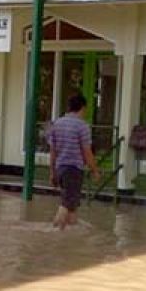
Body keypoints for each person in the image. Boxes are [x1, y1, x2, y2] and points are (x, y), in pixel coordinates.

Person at [48, 94, 102, 229]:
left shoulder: (57, 124)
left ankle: (71, 238)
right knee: (66, 204)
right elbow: (87, 151)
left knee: (72, 206)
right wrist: (95, 170)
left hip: (60, 168)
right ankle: (52, 234)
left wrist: (52, 172)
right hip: (74, 170)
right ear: (83, 108)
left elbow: (53, 151)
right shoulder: (82, 126)